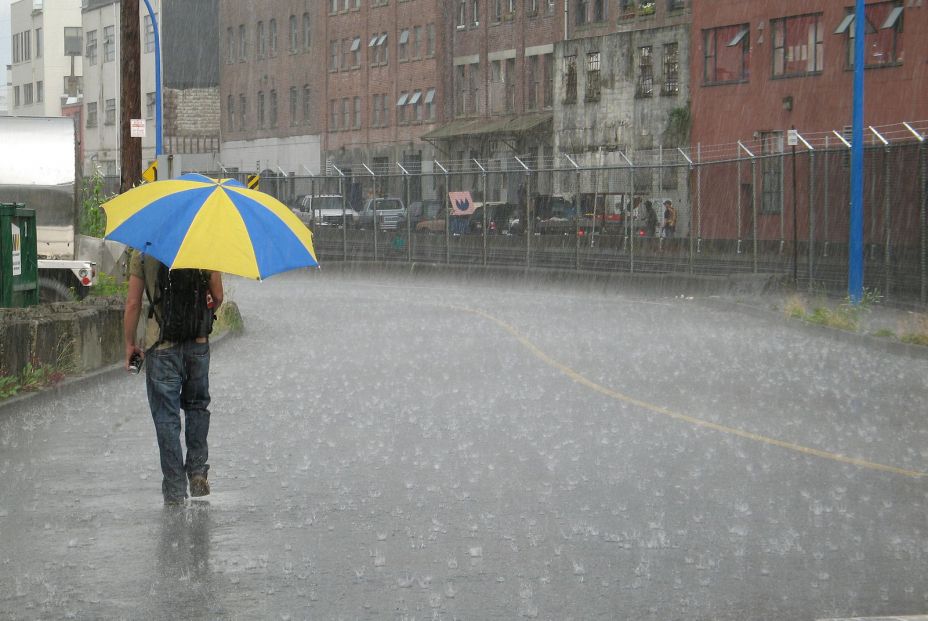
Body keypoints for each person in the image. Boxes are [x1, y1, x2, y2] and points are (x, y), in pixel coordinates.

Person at [124, 251, 223, 506]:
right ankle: (198, 470)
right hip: (198, 342)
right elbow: (219, 296)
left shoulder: (143, 251)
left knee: (167, 419)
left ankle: (175, 489)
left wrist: (129, 344)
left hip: (162, 345)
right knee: (197, 406)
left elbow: (133, 303)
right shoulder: (203, 245)